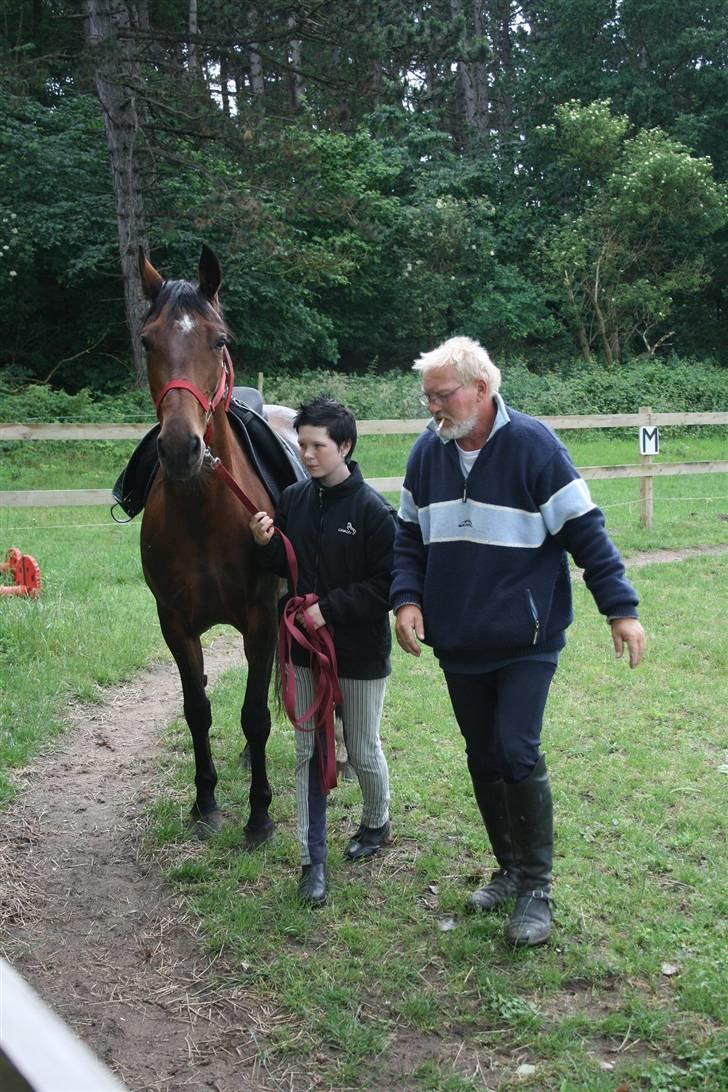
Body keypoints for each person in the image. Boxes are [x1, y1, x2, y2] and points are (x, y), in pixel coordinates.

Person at [391, 336, 645, 947]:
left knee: (515, 749)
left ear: (481, 388)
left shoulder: (535, 446)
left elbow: (587, 533)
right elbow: (407, 540)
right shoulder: (427, 454)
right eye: (427, 398)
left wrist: (621, 609)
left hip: (527, 637)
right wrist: (406, 600)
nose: (434, 409)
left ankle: (537, 887)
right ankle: (507, 869)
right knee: (481, 754)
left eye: (442, 396)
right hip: (459, 639)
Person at [250, 395, 396, 906]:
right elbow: (281, 568)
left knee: (361, 746)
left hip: (358, 652)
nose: (307, 454)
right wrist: (265, 543)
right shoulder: (292, 500)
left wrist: (329, 608)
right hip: (302, 650)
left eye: (317, 446)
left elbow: (387, 585)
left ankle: (376, 820)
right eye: (302, 444)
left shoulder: (375, 512)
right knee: (308, 750)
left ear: (345, 446)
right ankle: (313, 860)